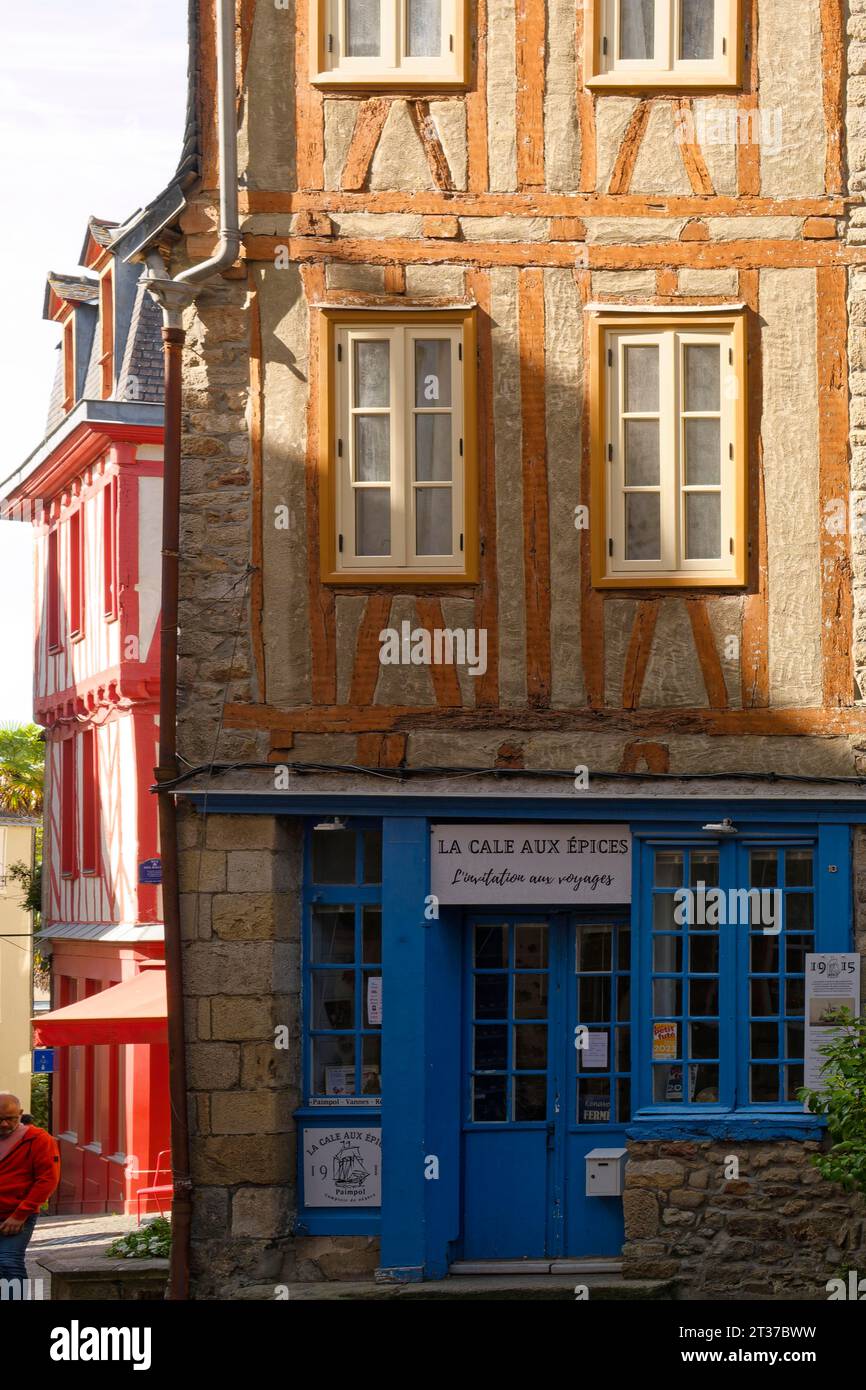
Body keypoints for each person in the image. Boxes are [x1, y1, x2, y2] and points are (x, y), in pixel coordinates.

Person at [0, 1093, 60, 1298]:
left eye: (11, 1118)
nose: (5, 1124)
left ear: (21, 1114)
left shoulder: (38, 1139)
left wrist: (20, 1214)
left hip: (18, 1213)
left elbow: (47, 1179)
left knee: (8, 1261)